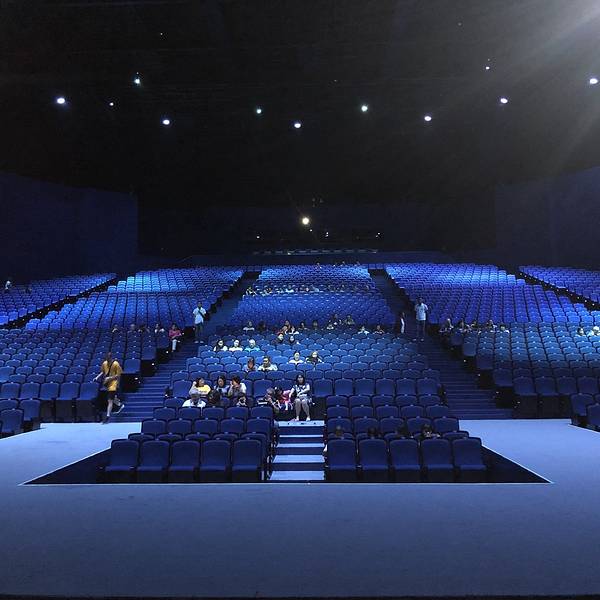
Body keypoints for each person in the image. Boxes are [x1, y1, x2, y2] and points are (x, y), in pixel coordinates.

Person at [94, 352, 125, 422]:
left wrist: (110, 378)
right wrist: (96, 377)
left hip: (113, 384)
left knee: (110, 400)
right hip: (107, 384)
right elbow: (102, 372)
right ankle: (120, 404)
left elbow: (119, 374)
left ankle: (107, 416)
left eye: (108, 359)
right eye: (106, 359)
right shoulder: (104, 363)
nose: (107, 361)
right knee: (112, 398)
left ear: (111, 358)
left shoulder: (116, 364)